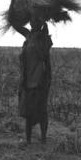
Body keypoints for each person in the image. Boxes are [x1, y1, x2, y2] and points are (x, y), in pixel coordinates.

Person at [13, 15, 53, 144]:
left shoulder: (44, 38)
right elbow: (14, 23)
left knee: (42, 110)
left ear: (41, 22)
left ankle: (43, 139)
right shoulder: (28, 35)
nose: (32, 22)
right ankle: (28, 140)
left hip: (40, 78)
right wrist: (13, 0)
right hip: (27, 78)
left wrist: (48, 79)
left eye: (36, 20)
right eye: (31, 20)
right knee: (28, 110)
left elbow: (45, 58)